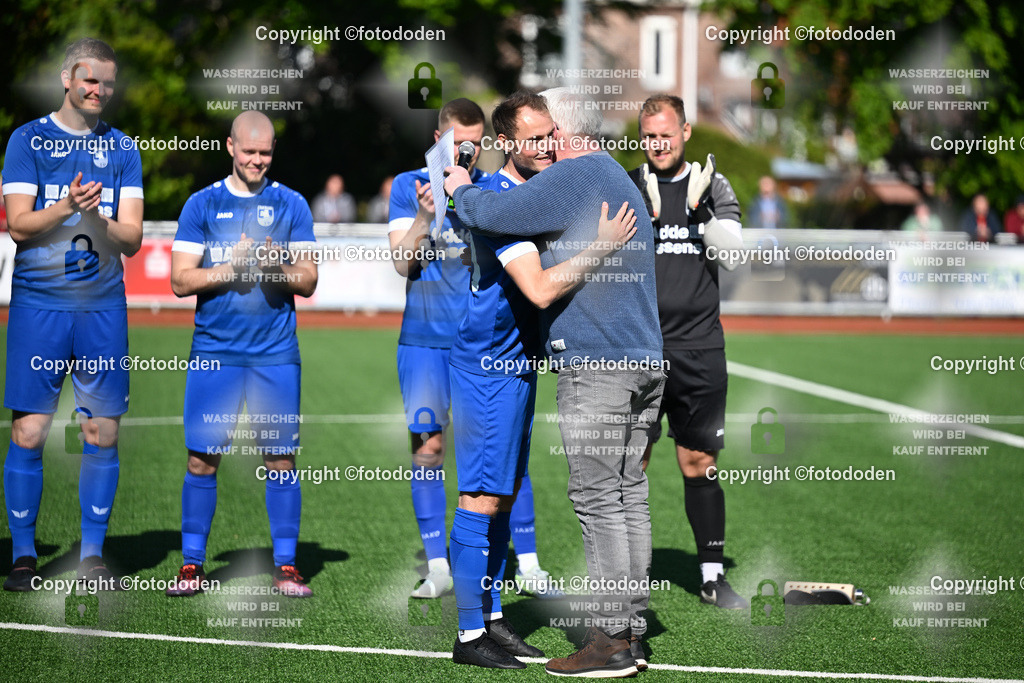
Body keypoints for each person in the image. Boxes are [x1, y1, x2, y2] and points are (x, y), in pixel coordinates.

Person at [445, 87, 665, 678]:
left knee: (598, 498)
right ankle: (624, 630)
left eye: (549, 134)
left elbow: (492, 215)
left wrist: (458, 187)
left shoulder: (572, 175)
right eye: (534, 136)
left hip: (597, 366)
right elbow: (515, 246)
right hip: (640, 360)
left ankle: (609, 640)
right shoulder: (617, 175)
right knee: (625, 493)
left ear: (566, 132)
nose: (545, 145)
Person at [2, 38, 143, 591]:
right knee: (30, 431)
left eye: (107, 82)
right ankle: (23, 555)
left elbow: (132, 238)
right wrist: (66, 206)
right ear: (66, 78)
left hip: (102, 308)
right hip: (39, 304)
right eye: (89, 80)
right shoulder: (27, 139)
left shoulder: (123, 148)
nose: (98, 90)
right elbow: (18, 225)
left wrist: (97, 219)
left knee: (100, 432)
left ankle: (91, 556)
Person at [165, 111, 318, 598]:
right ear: (231, 147)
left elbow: (308, 281)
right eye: (249, 151)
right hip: (215, 352)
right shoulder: (202, 204)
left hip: (275, 354)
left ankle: (287, 566)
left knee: (281, 459)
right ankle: (192, 565)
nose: (257, 160)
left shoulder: (292, 203)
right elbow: (179, 281)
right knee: (201, 460)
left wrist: (274, 267)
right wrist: (229, 268)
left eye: (265, 152)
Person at [629, 94, 748, 613]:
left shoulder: (713, 185)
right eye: (650, 136)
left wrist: (700, 212)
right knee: (631, 462)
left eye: (666, 134)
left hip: (700, 347)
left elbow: (733, 254)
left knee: (699, 462)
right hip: (639, 347)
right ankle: (627, 580)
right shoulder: (630, 184)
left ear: (685, 132)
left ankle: (712, 576)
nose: (659, 144)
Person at [387, 98, 489, 599]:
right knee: (428, 449)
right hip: (424, 342)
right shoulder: (409, 186)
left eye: (476, 144)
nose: (467, 152)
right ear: (438, 139)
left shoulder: (491, 187)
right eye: (458, 143)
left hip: (481, 342)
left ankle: (521, 563)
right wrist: (426, 217)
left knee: (491, 451)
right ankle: (438, 566)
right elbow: (402, 262)